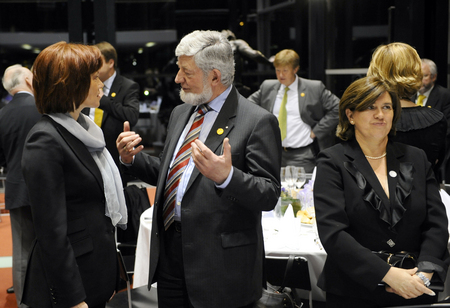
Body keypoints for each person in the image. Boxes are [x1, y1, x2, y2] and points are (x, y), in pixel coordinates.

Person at [116, 30, 281, 308]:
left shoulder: (257, 121)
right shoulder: (182, 112)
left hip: (221, 267)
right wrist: (132, 159)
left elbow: (268, 194)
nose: (178, 78)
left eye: (186, 71)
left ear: (214, 76)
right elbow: (175, 176)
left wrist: (227, 177)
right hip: (170, 256)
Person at [314, 76, 449, 307]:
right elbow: (333, 233)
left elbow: (436, 223)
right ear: (350, 115)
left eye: (386, 107)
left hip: (415, 288)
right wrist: (387, 274)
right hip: (354, 292)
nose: (380, 114)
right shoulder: (332, 161)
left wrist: (423, 274)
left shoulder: (416, 157)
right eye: (370, 107)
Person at [21, 41, 127, 308]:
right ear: (71, 84)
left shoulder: (85, 131)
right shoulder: (45, 139)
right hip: (71, 281)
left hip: (94, 268)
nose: (101, 82)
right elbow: (51, 233)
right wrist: (73, 299)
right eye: (93, 77)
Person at [247, 49, 339, 173]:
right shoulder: (267, 87)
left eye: (285, 70)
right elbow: (248, 106)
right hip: (274, 154)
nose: (280, 75)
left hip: (302, 155)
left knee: (301, 190)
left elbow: (338, 108)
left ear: (295, 69)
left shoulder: (314, 88)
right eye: (277, 70)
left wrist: (317, 131)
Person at [367, 43, 447, 182]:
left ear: (376, 72)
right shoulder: (437, 120)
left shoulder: (365, 120)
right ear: (416, 73)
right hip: (424, 198)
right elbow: (436, 165)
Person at [1, 64, 41, 308]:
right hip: (46, 187)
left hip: (16, 187)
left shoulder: (3, 114)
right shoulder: (42, 108)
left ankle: (23, 303)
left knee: (22, 251)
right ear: (27, 79)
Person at [83, 41, 140, 185]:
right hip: (87, 154)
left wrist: (104, 100)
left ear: (110, 63)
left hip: (114, 155)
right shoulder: (87, 85)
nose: (93, 66)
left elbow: (131, 116)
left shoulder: (128, 86)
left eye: (98, 62)